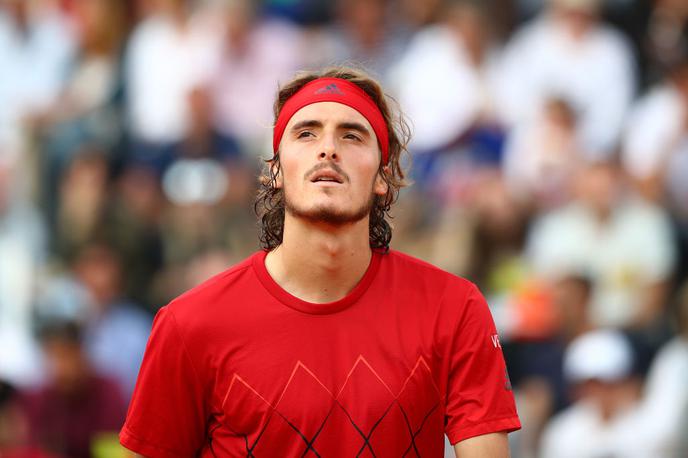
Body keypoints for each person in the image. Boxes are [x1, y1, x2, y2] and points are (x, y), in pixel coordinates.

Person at [119, 66, 520, 456]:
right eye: (306, 133)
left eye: (352, 135)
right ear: (275, 170)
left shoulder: (453, 308)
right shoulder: (190, 324)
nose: (328, 148)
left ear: (383, 176)